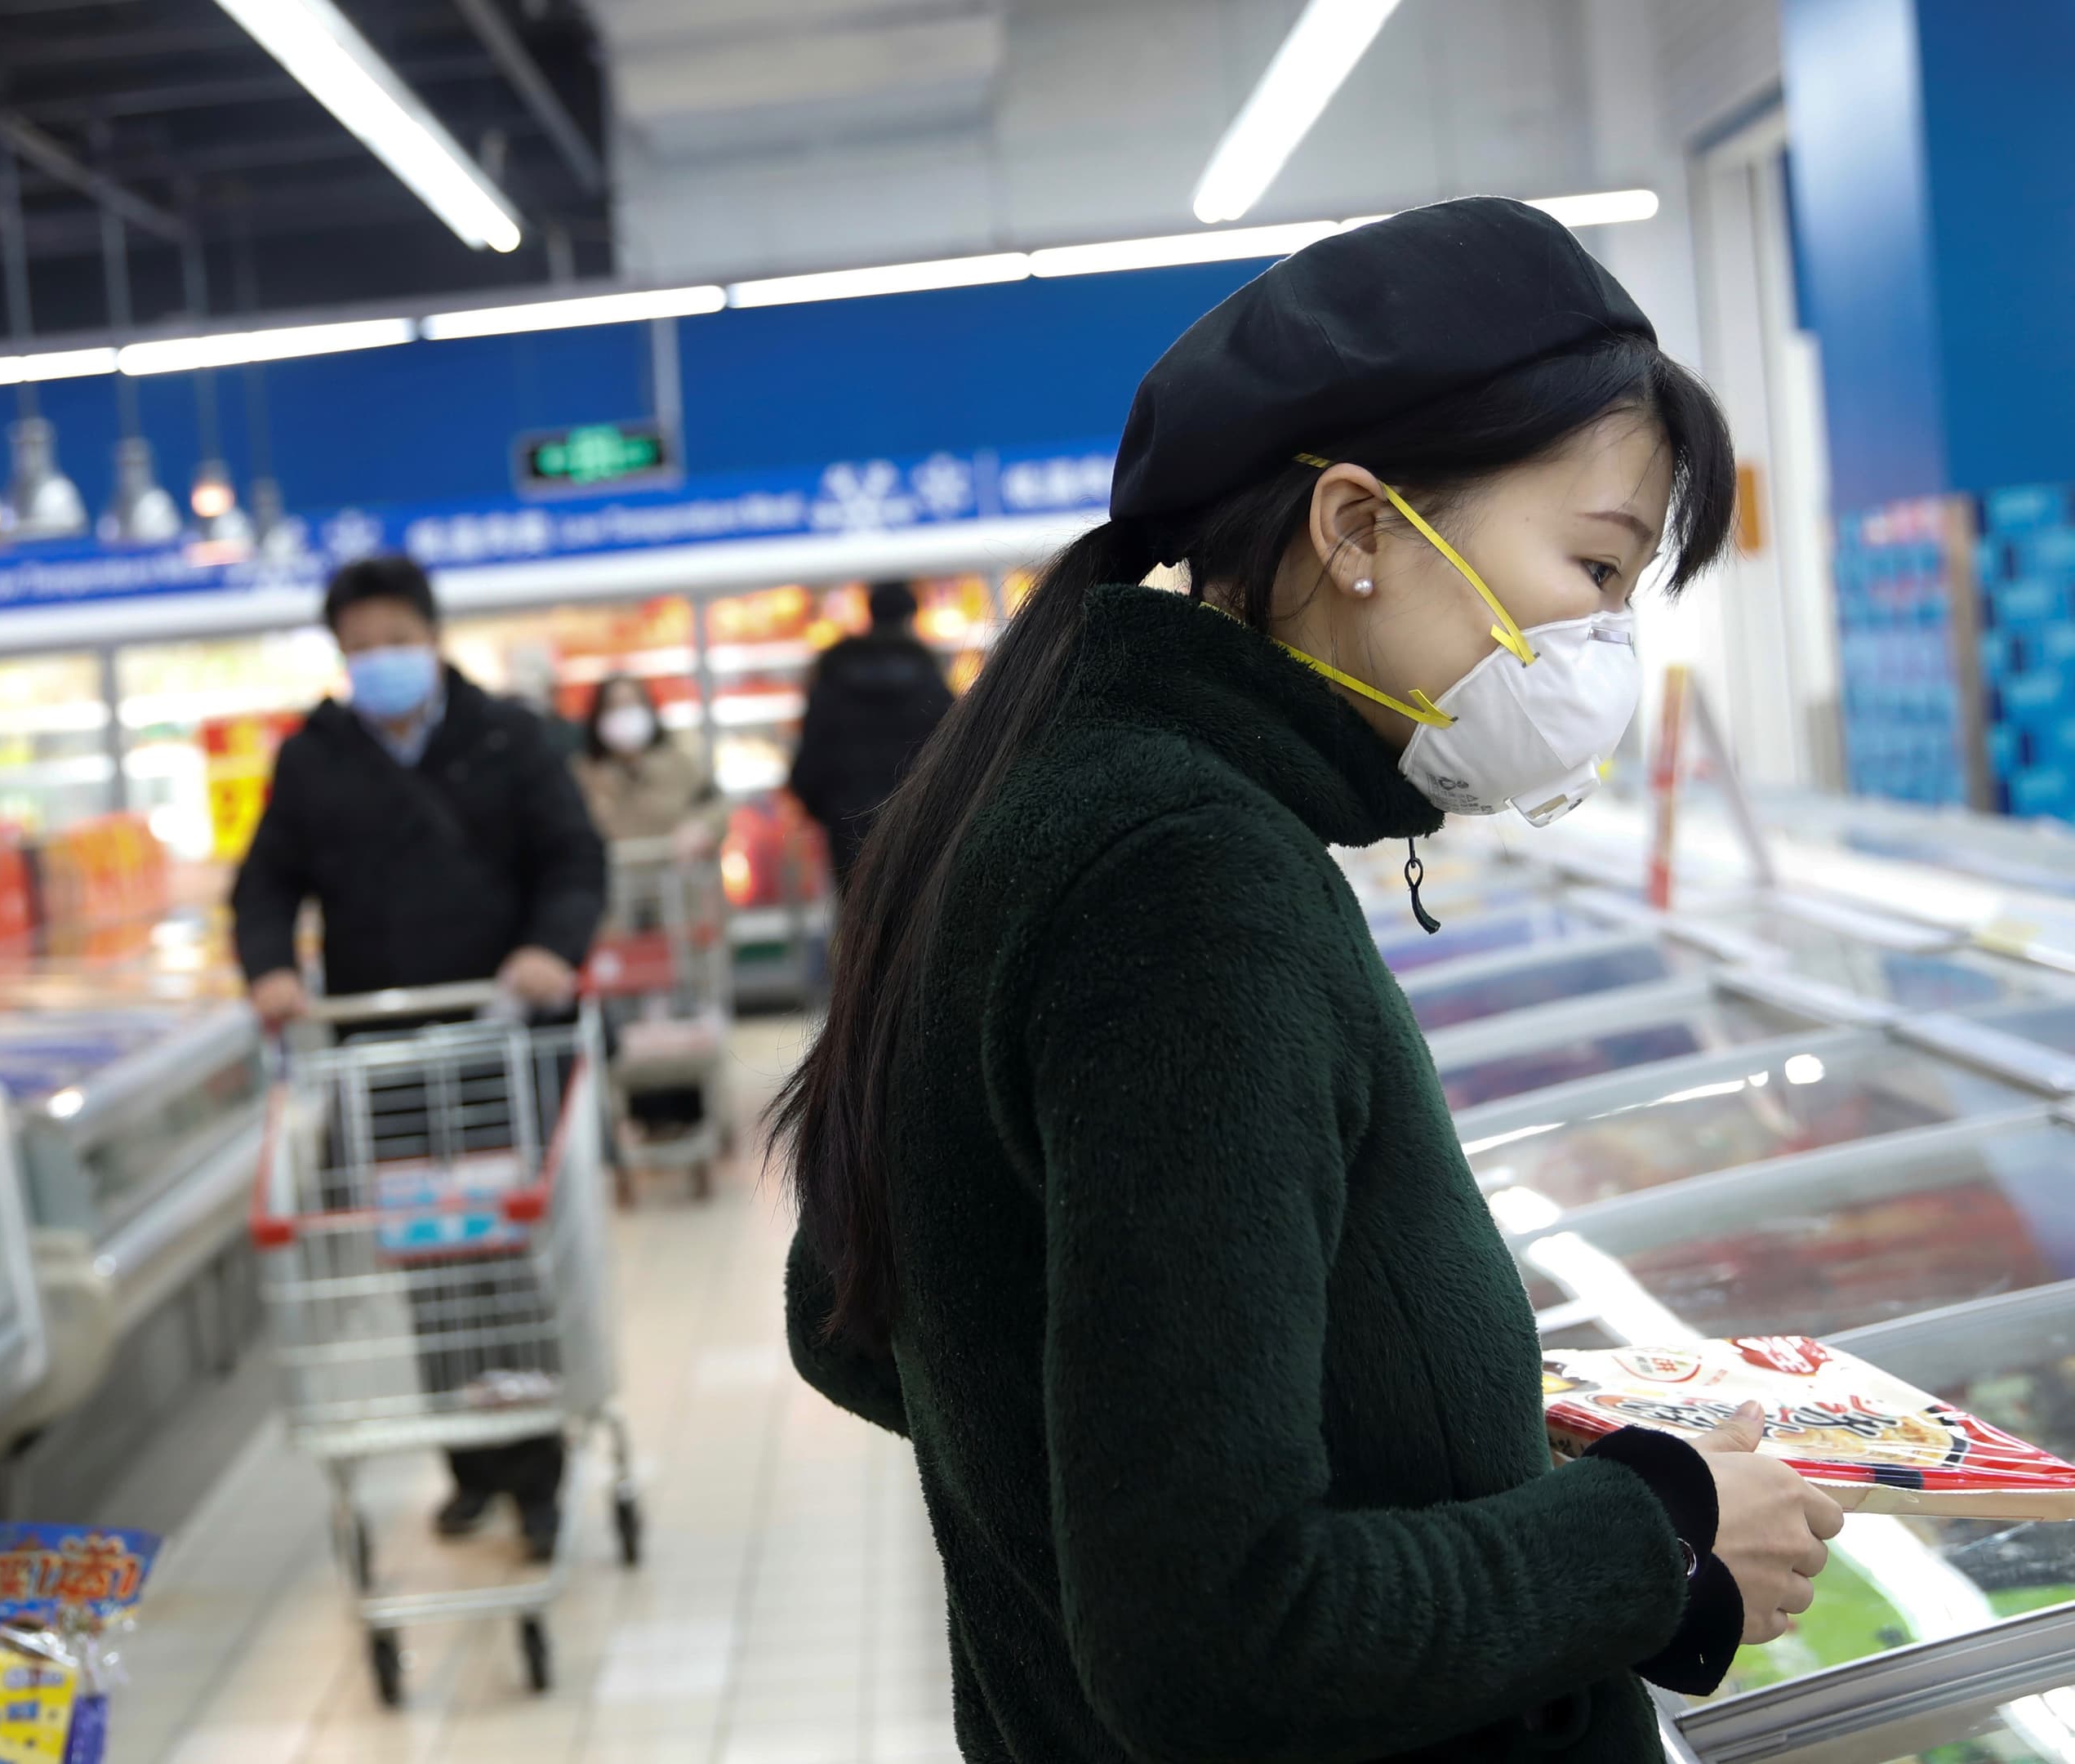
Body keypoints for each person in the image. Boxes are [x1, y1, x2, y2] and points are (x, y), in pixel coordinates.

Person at [774, 198, 1842, 1763]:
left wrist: (1412, 1429)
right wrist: (1660, 1542)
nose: (1608, 642)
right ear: (1353, 529)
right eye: (1596, 565)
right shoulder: (1185, 880)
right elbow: (1219, 1638)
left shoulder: (1054, 783)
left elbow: (856, 1318)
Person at [232, 553, 606, 1559]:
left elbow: (574, 858)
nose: (379, 662)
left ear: (432, 638)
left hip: (497, 1046)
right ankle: (468, 1463)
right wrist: (269, 969)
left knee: (499, 1253)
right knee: (427, 1260)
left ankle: (532, 1469)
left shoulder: (507, 739)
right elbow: (264, 887)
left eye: (396, 641)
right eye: (360, 649)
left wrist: (548, 950)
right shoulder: (314, 761)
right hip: (381, 1057)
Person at [784, 578, 954, 881]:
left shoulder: (834, 676)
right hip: (918, 824)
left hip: (849, 828)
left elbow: (809, 765)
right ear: (910, 617)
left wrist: (833, 813)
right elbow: (956, 754)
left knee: (861, 920)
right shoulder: (928, 679)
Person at [573, 676, 722, 846]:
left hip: (675, 869)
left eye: (631, 704)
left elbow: (716, 804)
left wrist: (703, 826)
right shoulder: (583, 775)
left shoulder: (678, 765)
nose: (624, 715)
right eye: (614, 706)